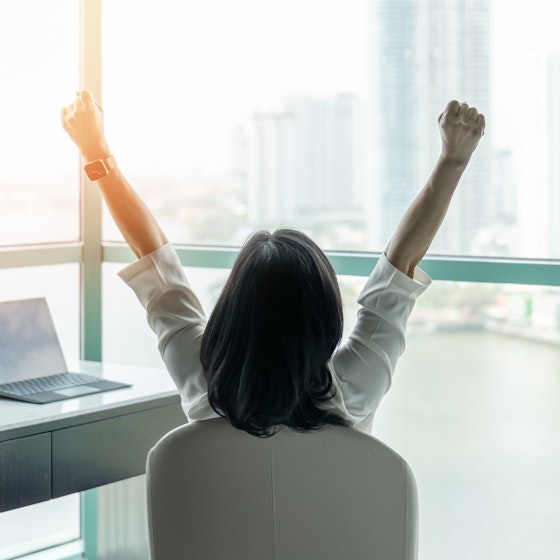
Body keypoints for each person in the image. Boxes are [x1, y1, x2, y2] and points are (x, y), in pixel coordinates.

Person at [61, 91, 485, 436]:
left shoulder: (200, 378)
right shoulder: (355, 389)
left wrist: (95, 150)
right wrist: (453, 160)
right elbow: (398, 268)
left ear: (231, 309)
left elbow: (152, 257)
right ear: (323, 319)